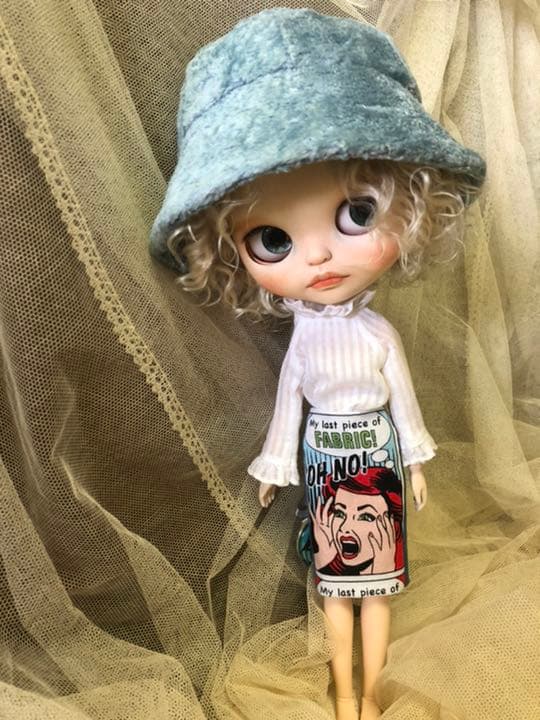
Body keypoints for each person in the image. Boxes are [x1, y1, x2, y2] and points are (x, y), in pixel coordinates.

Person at [149, 8, 485, 719]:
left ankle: (374, 687)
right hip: (326, 461)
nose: (321, 256)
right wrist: (276, 466)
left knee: (380, 583)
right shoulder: (305, 340)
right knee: (337, 581)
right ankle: (345, 690)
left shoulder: (378, 333)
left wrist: (415, 460)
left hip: (375, 455)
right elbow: (289, 406)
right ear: (228, 247)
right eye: (272, 240)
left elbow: (403, 400)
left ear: (410, 206)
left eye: (357, 214)